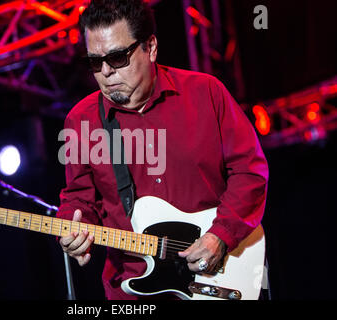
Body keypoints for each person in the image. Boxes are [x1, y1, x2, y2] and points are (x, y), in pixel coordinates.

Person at [57, 0, 268, 300]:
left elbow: (249, 172)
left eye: (117, 57)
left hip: (218, 276)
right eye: (94, 61)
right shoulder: (81, 121)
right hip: (131, 290)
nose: (105, 72)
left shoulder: (206, 93)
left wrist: (221, 235)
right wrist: (73, 228)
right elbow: (80, 199)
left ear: (151, 47)